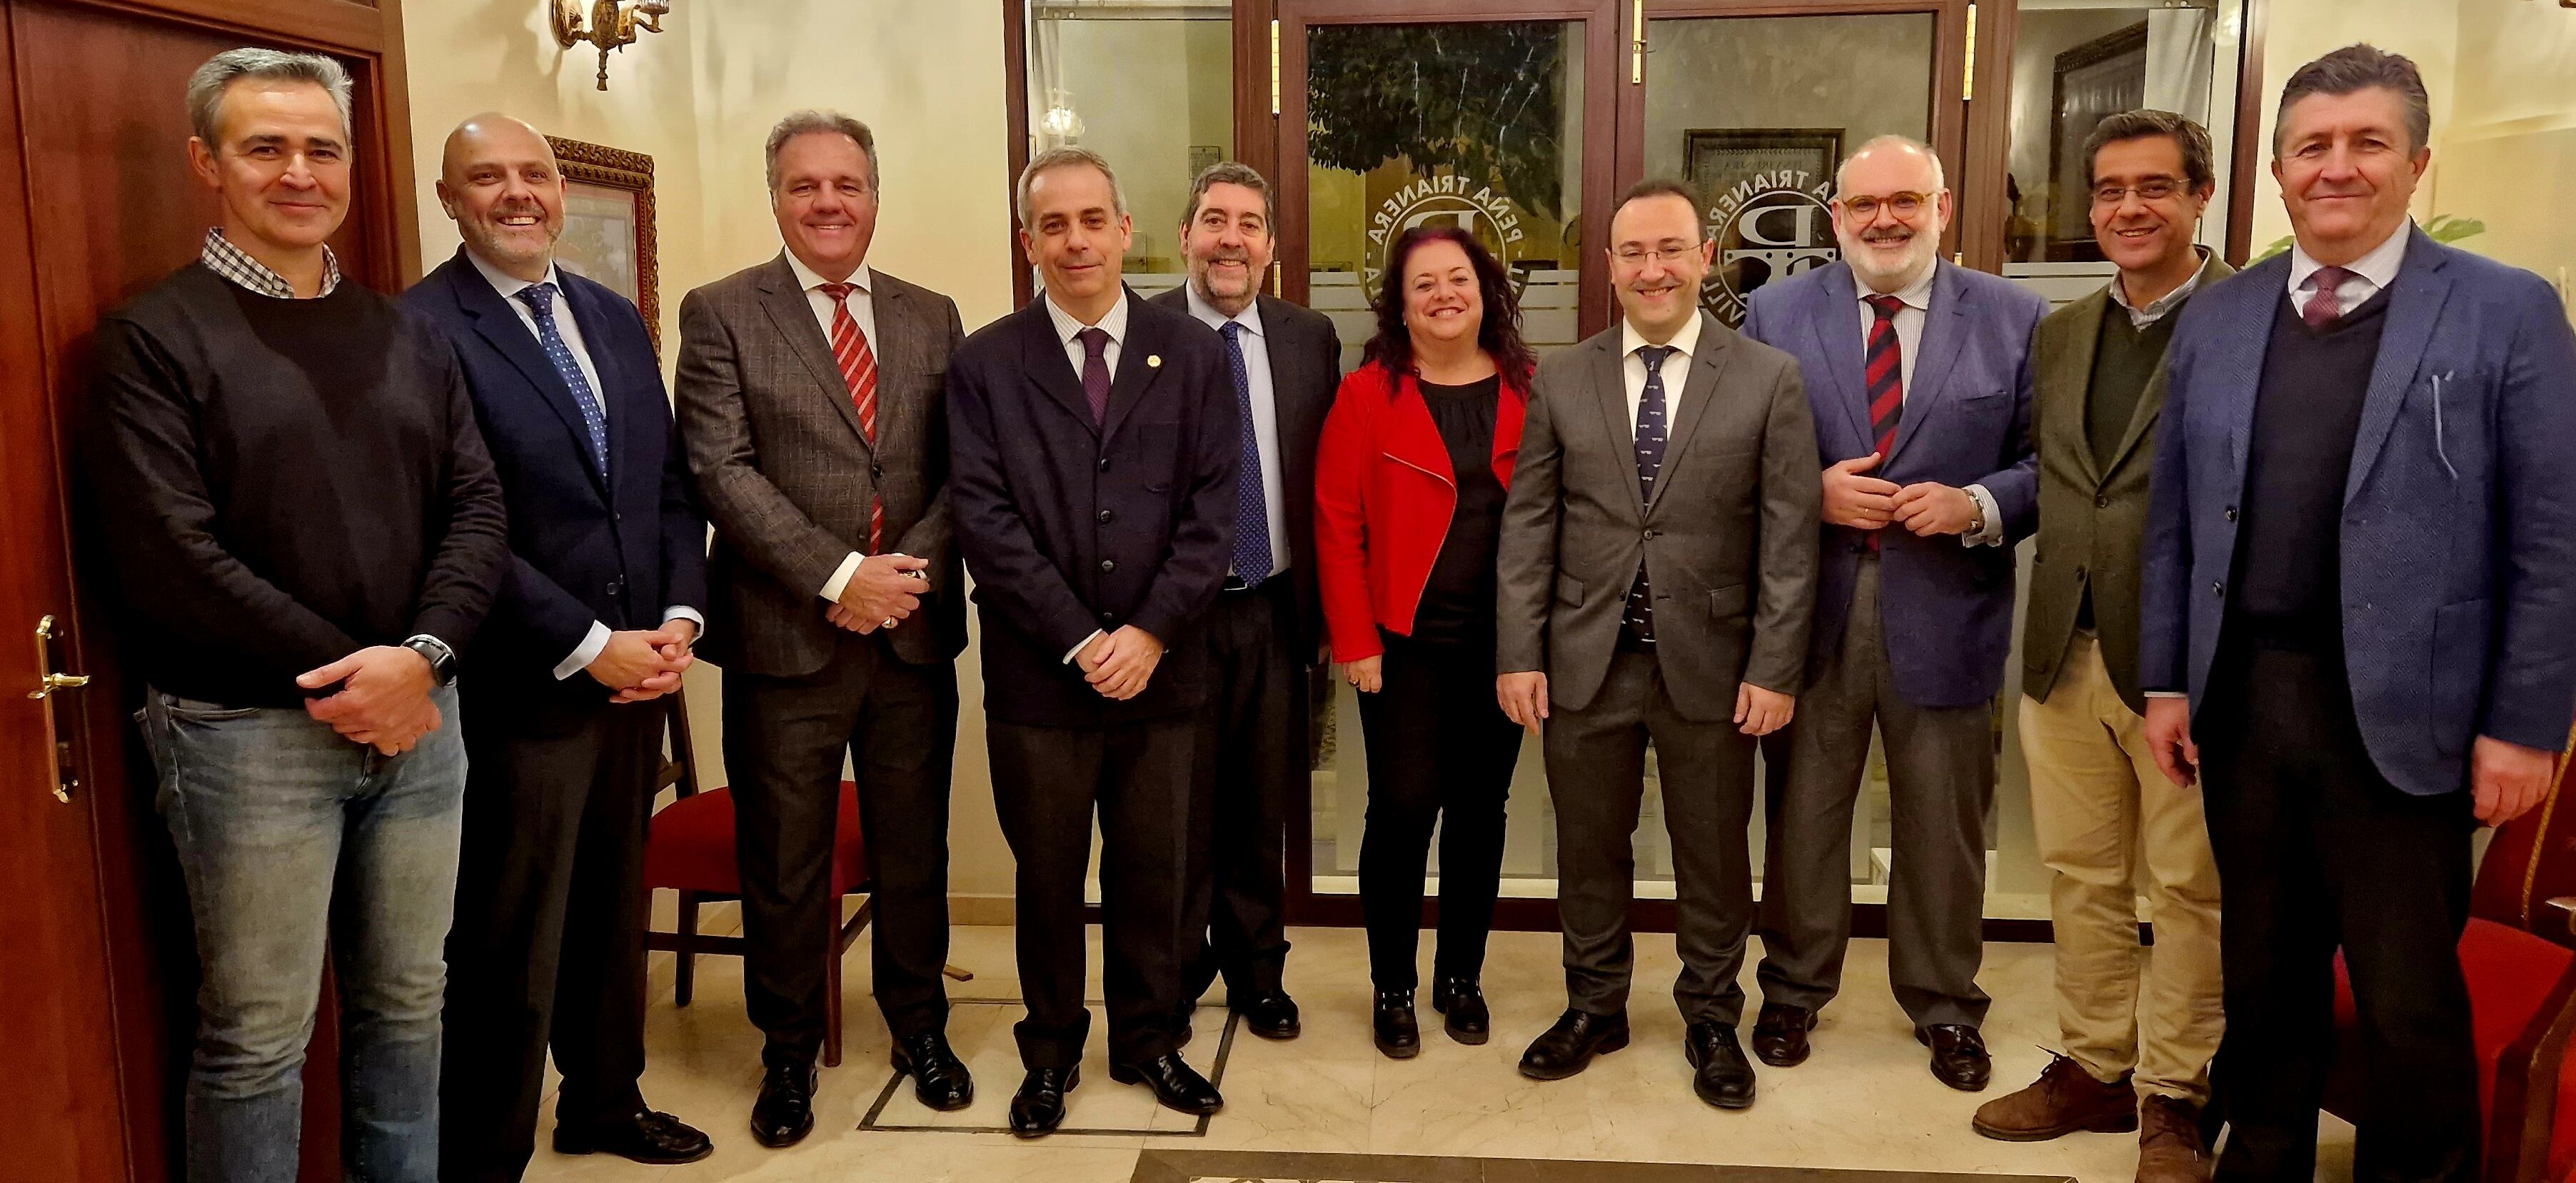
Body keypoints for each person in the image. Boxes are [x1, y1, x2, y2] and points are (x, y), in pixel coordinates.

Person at [2140, 44, 2576, 1182]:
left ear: (2418, 162)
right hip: (2248, 707)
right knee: (2266, 978)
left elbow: (2553, 535)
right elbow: (2177, 520)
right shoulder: (2222, 319)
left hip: (2409, 720)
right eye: (2313, 147)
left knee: (2406, 999)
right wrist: (2168, 681)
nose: (2338, 167)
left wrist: (2527, 725)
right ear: (2278, 173)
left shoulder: (2505, 311)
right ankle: (2265, 1154)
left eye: (2368, 142)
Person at [85, 48, 508, 1183]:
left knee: (411, 1007)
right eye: (263, 147)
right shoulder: (152, 341)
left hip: (421, 726)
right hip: (244, 737)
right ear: (206, 164)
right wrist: (360, 675)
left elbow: (476, 506)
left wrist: (420, 660)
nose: (298, 172)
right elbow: (173, 557)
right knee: (259, 1039)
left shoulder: (409, 333)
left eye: (321, 148)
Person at [408, 113, 713, 1177]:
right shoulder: (421, 330)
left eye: (533, 173)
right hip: (520, 688)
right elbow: (453, 528)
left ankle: (603, 1101)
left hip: (640, 677)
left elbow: (669, 491)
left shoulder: (611, 316)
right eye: (486, 178)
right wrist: (589, 642)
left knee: (607, 911)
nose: (517, 193)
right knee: (508, 941)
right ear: (449, 199)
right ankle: (486, 1152)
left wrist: (677, 621)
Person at [673, 111, 971, 1147]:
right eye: (807, 186)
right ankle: (788, 1053)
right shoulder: (719, 313)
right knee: (787, 863)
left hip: (910, 639)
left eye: (848, 184)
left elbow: (958, 469)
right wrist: (841, 575)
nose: (830, 202)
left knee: (914, 852)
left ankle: (921, 1031)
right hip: (784, 643)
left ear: (876, 196)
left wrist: (900, 582)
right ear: (777, 198)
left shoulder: (934, 315)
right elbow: (720, 469)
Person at [1496, 179, 1820, 1108]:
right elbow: (1530, 523)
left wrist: (1773, 666)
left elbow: (1790, 538)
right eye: (1633, 252)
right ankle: (1595, 1004)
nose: (1653, 269)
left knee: (1713, 853)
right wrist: (1519, 651)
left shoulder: (1767, 377)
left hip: (1714, 669)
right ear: (1608, 267)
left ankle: (1713, 1016)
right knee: (1588, 848)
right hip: (1584, 661)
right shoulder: (1561, 375)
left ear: (1705, 257)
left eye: (1671, 249)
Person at [1741, 134, 2043, 1092]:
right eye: (1864, 204)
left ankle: (1947, 1004)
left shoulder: (2015, 318)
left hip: (1949, 609)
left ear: (1943, 207)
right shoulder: (1773, 312)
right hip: (1812, 611)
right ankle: (1792, 987)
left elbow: (2049, 467)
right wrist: (1808, 491)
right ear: (1836, 217)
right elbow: (1733, 453)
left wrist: (1979, 504)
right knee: (1805, 816)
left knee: (1943, 826)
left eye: (1905, 201)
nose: (1884, 220)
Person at [947, 146, 1237, 1137]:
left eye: (1092, 220)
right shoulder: (986, 362)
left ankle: (1152, 1040)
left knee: (1155, 871)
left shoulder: (1195, 354)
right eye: (1053, 225)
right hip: (1042, 677)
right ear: (1030, 242)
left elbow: (1215, 511)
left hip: (1165, 673)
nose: (1075, 240)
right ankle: (1052, 1049)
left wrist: (1149, 632)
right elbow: (985, 521)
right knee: (1048, 876)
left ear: (1125, 229)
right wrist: (1082, 638)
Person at [1970, 111, 2229, 1183]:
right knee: (2079, 876)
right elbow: (2050, 471)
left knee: (2186, 890)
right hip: (2061, 648)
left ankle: (2176, 1097)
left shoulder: (2249, 320)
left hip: (2191, 668)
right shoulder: (2062, 330)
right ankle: (2093, 1065)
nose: (2131, 207)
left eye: (2156, 187)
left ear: (2200, 197)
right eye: (2112, 189)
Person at [1313, 225, 1532, 1061]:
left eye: (1458, 279)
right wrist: (1353, 639)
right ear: (1399, 307)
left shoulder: (1530, 388)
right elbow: (1336, 524)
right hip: (1401, 645)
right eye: (1423, 285)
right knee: (1401, 812)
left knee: (1483, 814)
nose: (1443, 294)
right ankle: (1393, 985)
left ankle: (1460, 978)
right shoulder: (1366, 395)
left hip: (1501, 647)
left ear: (1484, 291)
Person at [1149, 162, 1342, 1042]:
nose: (1231, 238)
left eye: (1250, 223)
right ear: (1184, 234)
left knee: (1262, 805)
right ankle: (1177, 970)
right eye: (1214, 220)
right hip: (1171, 617)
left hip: (1274, 607)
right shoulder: (1141, 332)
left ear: (1271, 245)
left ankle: (1258, 973)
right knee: (1176, 809)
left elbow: (1327, 483)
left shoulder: (1310, 338)